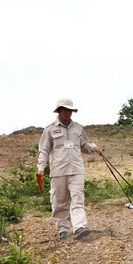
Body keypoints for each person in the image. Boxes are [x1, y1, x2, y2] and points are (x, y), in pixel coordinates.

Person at [37, 98, 102, 240]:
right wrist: (41, 167)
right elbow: (44, 150)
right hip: (58, 171)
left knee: (78, 198)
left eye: (70, 110)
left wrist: (93, 148)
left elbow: (84, 145)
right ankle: (63, 229)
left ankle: (79, 227)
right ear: (59, 111)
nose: (67, 113)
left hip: (76, 169)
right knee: (59, 201)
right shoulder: (50, 129)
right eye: (64, 110)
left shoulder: (78, 128)